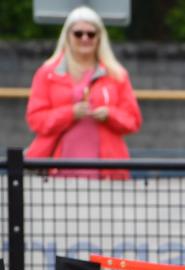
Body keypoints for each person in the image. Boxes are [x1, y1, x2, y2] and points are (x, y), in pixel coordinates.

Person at [25, 5, 142, 180]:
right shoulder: (47, 74)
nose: (85, 38)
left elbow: (133, 120)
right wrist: (70, 113)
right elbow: (35, 120)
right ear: (67, 36)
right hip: (56, 173)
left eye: (91, 34)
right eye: (78, 33)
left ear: (99, 38)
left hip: (108, 174)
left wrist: (110, 114)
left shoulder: (117, 74)